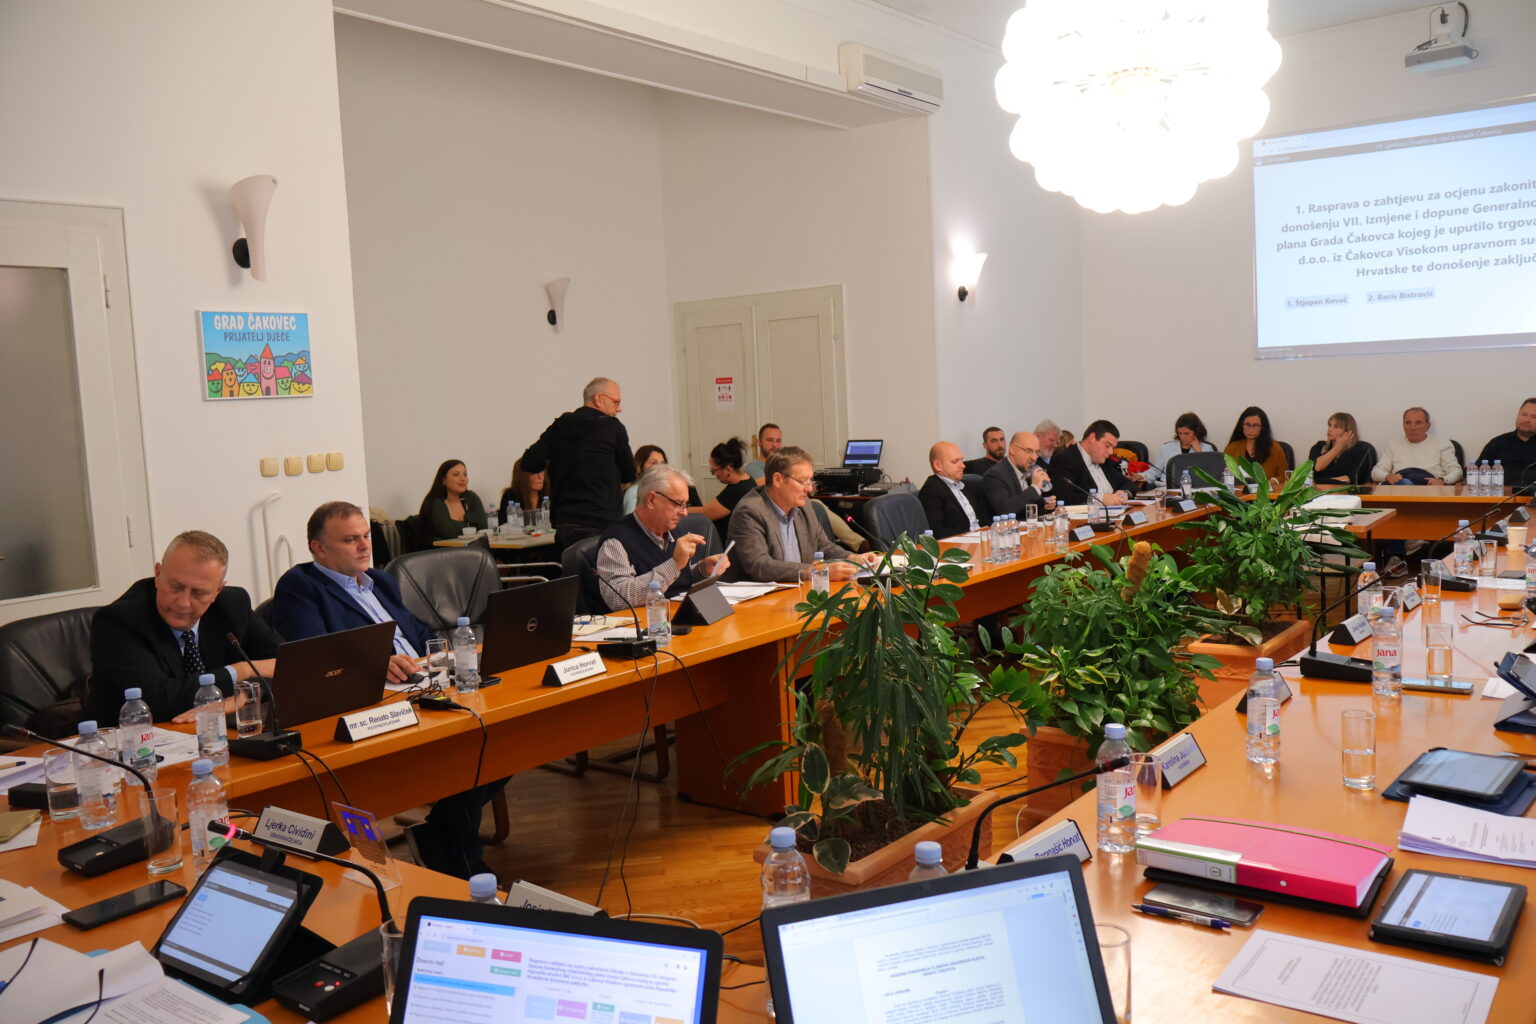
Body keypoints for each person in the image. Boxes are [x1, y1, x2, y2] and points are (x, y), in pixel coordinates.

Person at [272, 501, 500, 879]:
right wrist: (377, 664)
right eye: (350, 540)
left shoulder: (380, 580)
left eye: (365, 536)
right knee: (475, 743)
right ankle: (455, 847)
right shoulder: (300, 587)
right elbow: (315, 659)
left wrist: (443, 656)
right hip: (372, 707)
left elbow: (417, 633)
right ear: (319, 548)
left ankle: (445, 833)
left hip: (427, 686)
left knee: (499, 736)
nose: (365, 545)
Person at [88, 531, 279, 726]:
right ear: (158, 574)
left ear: (217, 591)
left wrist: (244, 696)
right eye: (176, 586)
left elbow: (289, 665)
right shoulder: (118, 621)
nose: (184, 603)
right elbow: (158, 701)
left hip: (212, 733)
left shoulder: (233, 605)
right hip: (135, 738)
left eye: (199, 593)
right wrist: (242, 670)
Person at [727, 447, 878, 583]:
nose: (810, 489)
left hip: (799, 591)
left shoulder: (804, 505)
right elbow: (760, 567)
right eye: (802, 481)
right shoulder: (749, 512)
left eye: (810, 480)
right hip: (758, 599)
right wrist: (817, 571)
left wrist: (851, 558)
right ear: (778, 480)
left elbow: (823, 546)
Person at [520, 377, 635, 549]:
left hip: (565, 522)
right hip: (601, 522)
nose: (619, 409)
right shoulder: (612, 428)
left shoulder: (560, 426)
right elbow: (629, 474)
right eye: (616, 402)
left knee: (570, 566)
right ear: (599, 399)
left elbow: (529, 463)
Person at [596, 465, 730, 611]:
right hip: (648, 622)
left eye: (686, 505)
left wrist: (701, 570)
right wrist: (675, 564)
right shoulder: (616, 541)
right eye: (678, 504)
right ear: (651, 500)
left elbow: (676, 582)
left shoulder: (673, 530)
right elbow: (618, 598)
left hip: (680, 614)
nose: (685, 513)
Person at [1047, 420, 1133, 505]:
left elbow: (1128, 483)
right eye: (1107, 446)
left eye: (1112, 448)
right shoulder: (1064, 459)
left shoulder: (1105, 461)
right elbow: (1063, 497)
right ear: (1092, 438)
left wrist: (1124, 492)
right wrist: (1099, 499)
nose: (1111, 452)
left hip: (1120, 511)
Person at [1371, 407, 1462, 485]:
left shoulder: (1441, 442)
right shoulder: (1393, 444)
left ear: (1428, 426)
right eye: (1408, 423)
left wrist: (1443, 481)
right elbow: (1376, 472)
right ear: (1403, 426)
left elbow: (1457, 472)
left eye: (1418, 423)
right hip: (1400, 487)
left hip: (1429, 488)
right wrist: (1387, 476)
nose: (1413, 428)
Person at [920, 441, 992, 536]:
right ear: (938, 465)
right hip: (962, 542)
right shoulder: (931, 490)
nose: (963, 466)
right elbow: (937, 531)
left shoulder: (966, 485)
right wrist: (969, 537)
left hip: (982, 537)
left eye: (961, 460)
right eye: (955, 461)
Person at [689, 437, 756, 538]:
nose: (714, 474)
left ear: (728, 469)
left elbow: (706, 513)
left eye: (714, 471)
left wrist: (681, 509)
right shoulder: (749, 481)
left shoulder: (737, 490)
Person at [981, 431, 1053, 517]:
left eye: (1037, 452)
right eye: (1028, 451)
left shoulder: (1026, 472)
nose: (1034, 458)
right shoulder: (994, 475)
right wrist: (1035, 488)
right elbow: (1004, 510)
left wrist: (1044, 503)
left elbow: (1024, 505)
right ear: (1012, 450)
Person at [420, 459, 488, 540]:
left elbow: (485, 529)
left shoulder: (471, 498)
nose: (463, 479)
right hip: (446, 548)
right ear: (443, 480)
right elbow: (449, 536)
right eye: (456, 475)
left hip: (475, 547)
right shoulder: (436, 503)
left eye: (465, 475)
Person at [1476, 397, 1536, 487]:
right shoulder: (1497, 443)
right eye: (1524, 414)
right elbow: (1477, 471)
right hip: (1501, 493)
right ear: (1518, 415)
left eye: (1534, 417)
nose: (1527, 420)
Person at [1224, 406, 1289, 484]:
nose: (1251, 429)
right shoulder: (1232, 447)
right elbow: (1224, 474)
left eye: (1255, 425)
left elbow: (1285, 476)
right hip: (1239, 490)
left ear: (1262, 427)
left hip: (1266, 490)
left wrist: (1271, 482)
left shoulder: (1275, 448)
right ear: (1242, 425)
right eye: (1247, 424)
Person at [1147, 412, 1216, 483]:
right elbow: (1155, 471)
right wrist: (1143, 476)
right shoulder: (1166, 448)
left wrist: (1198, 451)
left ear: (1196, 432)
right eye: (1180, 433)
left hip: (1195, 487)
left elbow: (1210, 474)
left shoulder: (1207, 448)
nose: (1182, 437)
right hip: (1167, 486)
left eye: (1186, 433)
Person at [1308, 412, 1374, 485]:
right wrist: (1338, 446)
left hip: (1345, 491)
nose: (1330, 429)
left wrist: (1320, 481)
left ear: (1348, 431)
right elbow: (1317, 467)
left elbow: (1351, 479)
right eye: (1329, 425)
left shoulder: (1361, 449)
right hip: (1317, 490)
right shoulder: (1319, 446)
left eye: (1336, 427)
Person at [622, 445, 669, 514]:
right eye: (654, 463)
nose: (660, 467)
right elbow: (632, 519)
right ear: (639, 467)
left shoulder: (663, 490)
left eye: (662, 463)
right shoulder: (634, 492)